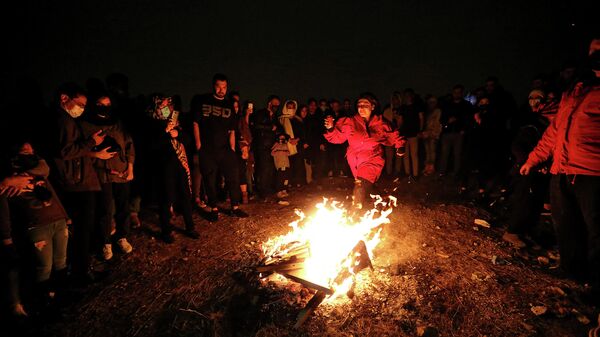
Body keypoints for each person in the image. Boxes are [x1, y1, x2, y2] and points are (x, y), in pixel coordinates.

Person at [520, 38, 600, 306]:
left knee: (596, 230)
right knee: (565, 225)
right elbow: (554, 132)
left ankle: (596, 282)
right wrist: (533, 158)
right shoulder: (575, 91)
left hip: (593, 173)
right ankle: (572, 273)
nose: (595, 56)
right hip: (562, 171)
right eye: (592, 52)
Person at [52, 82, 115, 286]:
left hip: (82, 181)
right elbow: (65, 151)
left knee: (85, 228)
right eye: (80, 104)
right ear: (64, 98)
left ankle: (83, 267)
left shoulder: (68, 120)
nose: (82, 109)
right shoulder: (63, 121)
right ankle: (81, 272)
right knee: (82, 229)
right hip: (77, 183)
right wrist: (91, 143)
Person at [5, 141, 70, 313]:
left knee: (60, 260)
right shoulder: (9, 177)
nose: (28, 152)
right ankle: (44, 301)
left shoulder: (38, 168)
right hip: (36, 224)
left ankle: (62, 296)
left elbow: (46, 171)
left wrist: (65, 215)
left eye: (30, 149)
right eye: (23, 150)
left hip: (56, 219)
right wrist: (12, 180)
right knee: (44, 266)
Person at [324, 93, 406, 209]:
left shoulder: (380, 122)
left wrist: (400, 146)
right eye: (359, 104)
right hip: (355, 160)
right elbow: (337, 138)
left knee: (361, 185)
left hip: (373, 158)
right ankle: (379, 201)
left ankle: (355, 213)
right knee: (363, 184)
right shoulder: (350, 122)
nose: (361, 108)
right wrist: (331, 128)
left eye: (365, 104)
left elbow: (393, 133)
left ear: (373, 106)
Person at [80, 93, 134, 260]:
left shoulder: (118, 123)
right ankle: (106, 242)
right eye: (100, 104)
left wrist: (130, 167)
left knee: (123, 206)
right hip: (102, 173)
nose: (104, 107)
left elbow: (129, 145)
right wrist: (97, 155)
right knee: (105, 209)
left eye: (108, 104)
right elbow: (80, 150)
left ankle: (122, 237)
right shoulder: (85, 125)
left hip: (122, 172)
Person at [192, 74, 248, 221]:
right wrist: (198, 144)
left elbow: (232, 130)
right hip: (207, 149)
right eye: (218, 86)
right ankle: (214, 209)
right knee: (210, 179)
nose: (221, 90)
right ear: (213, 86)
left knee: (233, 176)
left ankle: (235, 207)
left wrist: (232, 148)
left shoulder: (229, 104)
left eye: (224, 87)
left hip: (225, 149)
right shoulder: (203, 101)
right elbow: (196, 123)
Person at [149, 95, 199, 243]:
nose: (168, 108)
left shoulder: (176, 122)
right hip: (164, 168)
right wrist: (165, 132)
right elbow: (152, 146)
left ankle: (190, 227)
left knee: (185, 196)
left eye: (169, 105)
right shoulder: (153, 123)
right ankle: (166, 230)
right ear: (158, 106)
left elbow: (188, 140)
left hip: (181, 165)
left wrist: (178, 134)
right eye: (164, 105)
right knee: (166, 198)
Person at [251, 95, 281, 200]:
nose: (276, 106)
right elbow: (255, 126)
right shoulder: (260, 113)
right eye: (275, 104)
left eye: (278, 104)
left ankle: (267, 189)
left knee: (270, 168)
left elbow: (278, 128)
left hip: (272, 146)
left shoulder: (275, 116)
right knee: (263, 168)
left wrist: (280, 136)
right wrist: (270, 127)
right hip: (262, 145)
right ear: (269, 103)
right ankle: (262, 192)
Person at [397, 89, 424, 182]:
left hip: (414, 133)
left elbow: (421, 118)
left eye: (409, 95)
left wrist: (420, 130)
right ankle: (408, 173)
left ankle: (415, 174)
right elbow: (400, 120)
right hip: (404, 134)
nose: (407, 97)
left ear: (412, 96)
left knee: (414, 154)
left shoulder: (417, 107)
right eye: (406, 95)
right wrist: (399, 131)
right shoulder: (403, 108)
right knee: (405, 155)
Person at [421, 95, 442, 176]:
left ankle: (431, 168)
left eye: (433, 102)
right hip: (426, 134)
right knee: (427, 151)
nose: (431, 104)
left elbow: (437, 123)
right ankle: (427, 167)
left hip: (433, 134)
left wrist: (434, 133)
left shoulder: (437, 111)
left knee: (432, 152)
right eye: (430, 102)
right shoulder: (427, 112)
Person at [271, 133, 291, 205]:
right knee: (280, 178)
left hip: (286, 164)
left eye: (283, 138)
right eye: (280, 138)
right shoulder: (276, 144)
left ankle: (284, 190)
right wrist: (279, 151)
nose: (282, 140)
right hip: (280, 164)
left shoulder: (285, 145)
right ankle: (279, 191)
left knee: (286, 178)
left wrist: (284, 151)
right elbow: (272, 153)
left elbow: (289, 153)